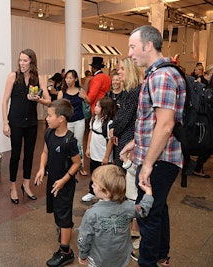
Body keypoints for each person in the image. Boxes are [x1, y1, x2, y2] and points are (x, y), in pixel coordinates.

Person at [120, 25, 186, 267]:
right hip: (156, 156)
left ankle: (148, 261)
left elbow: (166, 124)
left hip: (158, 160)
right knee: (158, 208)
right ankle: (160, 255)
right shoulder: (159, 73)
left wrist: (146, 164)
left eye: (133, 46)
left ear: (148, 46)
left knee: (146, 212)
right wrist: (135, 142)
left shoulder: (162, 76)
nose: (130, 52)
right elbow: (154, 119)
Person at [34, 98, 81, 267]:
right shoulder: (48, 133)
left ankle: (65, 252)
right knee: (58, 213)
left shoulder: (70, 141)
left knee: (64, 217)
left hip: (64, 184)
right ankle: (64, 230)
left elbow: (77, 163)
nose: (47, 118)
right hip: (53, 182)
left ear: (61, 118)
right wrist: (41, 169)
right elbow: (45, 152)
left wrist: (63, 180)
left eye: (50, 115)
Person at [77, 165, 154, 267]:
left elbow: (84, 238)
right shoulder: (128, 207)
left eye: (94, 184)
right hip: (121, 257)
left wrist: (82, 255)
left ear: (106, 191)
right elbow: (143, 210)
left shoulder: (92, 213)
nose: (92, 186)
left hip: (98, 259)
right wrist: (148, 193)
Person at [2, 48, 51, 204]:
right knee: (15, 155)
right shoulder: (13, 76)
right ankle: (13, 187)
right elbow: (5, 101)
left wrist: (38, 100)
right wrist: (5, 122)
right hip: (15, 122)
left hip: (31, 122)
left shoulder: (39, 78)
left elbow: (48, 100)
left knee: (29, 155)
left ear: (32, 62)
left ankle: (26, 185)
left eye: (25, 60)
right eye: (20, 60)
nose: (21, 63)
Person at [109, 57, 143, 168]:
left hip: (128, 137)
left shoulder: (133, 92)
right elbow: (120, 114)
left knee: (124, 173)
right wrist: (113, 127)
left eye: (122, 69)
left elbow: (126, 118)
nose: (119, 71)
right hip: (123, 134)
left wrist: (115, 132)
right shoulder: (128, 90)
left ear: (130, 70)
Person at [82, 97, 116, 202]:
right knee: (94, 173)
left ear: (105, 109)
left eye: (98, 106)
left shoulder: (109, 123)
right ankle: (92, 192)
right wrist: (88, 148)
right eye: (96, 105)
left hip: (103, 155)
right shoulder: (94, 119)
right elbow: (91, 133)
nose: (95, 108)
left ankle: (104, 194)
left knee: (104, 176)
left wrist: (106, 157)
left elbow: (110, 141)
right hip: (94, 153)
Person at [58, 69, 88, 176]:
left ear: (75, 79)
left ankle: (81, 166)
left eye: (70, 78)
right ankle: (67, 165)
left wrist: (84, 97)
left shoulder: (80, 91)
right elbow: (58, 107)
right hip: (67, 122)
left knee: (79, 143)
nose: (68, 80)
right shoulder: (62, 93)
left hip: (79, 120)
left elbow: (88, 102)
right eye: (67, 78)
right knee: (66, 143)